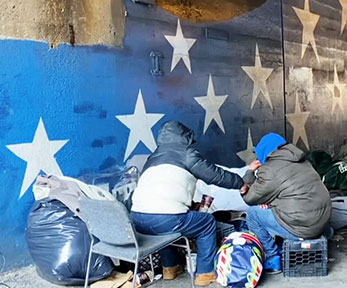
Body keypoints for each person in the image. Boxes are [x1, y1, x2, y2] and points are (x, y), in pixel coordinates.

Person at [130, 121, 250, 286]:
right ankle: (205, 273)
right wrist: (239, 183)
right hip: (165, 219)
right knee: (206, 223)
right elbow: (214, 175)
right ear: (184, 137)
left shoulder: (153, 158)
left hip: (137, 220)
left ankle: (170, 268)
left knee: (164, 225)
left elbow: (162, 193)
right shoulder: (187, 154)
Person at [241, 133, 331, 274]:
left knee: (253, 214)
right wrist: (268, 201)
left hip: (302, 226)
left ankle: (272, 258)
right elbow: (292, 192)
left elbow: (250, 198)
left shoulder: (270, 170)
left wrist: (249, 172)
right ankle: (323, 232)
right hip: (322, 220)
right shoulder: (302, 161)